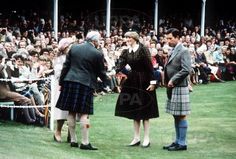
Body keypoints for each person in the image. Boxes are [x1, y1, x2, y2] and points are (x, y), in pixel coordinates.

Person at [55, 30, 109, 150]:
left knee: (71, 112)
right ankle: (85, 142)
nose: (99, 43)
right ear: (94, 40)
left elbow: (66, 66)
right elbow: (101, 72)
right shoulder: (97, 53)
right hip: (86, 84)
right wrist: (107, 81)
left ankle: (73, 140)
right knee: (84, 113)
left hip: (69, 81)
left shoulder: (74, 48)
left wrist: (61, 82)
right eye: (99, 40)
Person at [114, 31, 159, 148]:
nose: (127, 39)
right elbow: (120, 66)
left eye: (129, 37)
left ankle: (146, 138)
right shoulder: (126, 51)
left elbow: (150, 67)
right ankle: (136, 137)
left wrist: (153, 82)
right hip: (133, 81)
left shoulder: (143, 49)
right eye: (126, 37)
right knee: (135, 111)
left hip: (144, 80)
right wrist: (114, 70)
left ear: (135, 38)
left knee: (145, 112)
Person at [162, 28, 191, 151]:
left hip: (179, 86)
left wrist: (173, 80)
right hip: (173, 87)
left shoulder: (184, 50)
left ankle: (182, 143)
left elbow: (186, 69)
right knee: (176, 115)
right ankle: (177, 141)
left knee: (182, 115)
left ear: (177, 37)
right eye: (167, 38)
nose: (168, 40)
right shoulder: (174, 50)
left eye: (170, 38)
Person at [53, 38, 74, 142]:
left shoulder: (75, 57)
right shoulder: (59, 59)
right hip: (62, 86)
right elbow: (58, 74)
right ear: (65, 47)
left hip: (73, 85)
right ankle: (58, 131)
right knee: (62, 111)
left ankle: (71, 134)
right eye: (70, 45)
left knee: (72, 110)